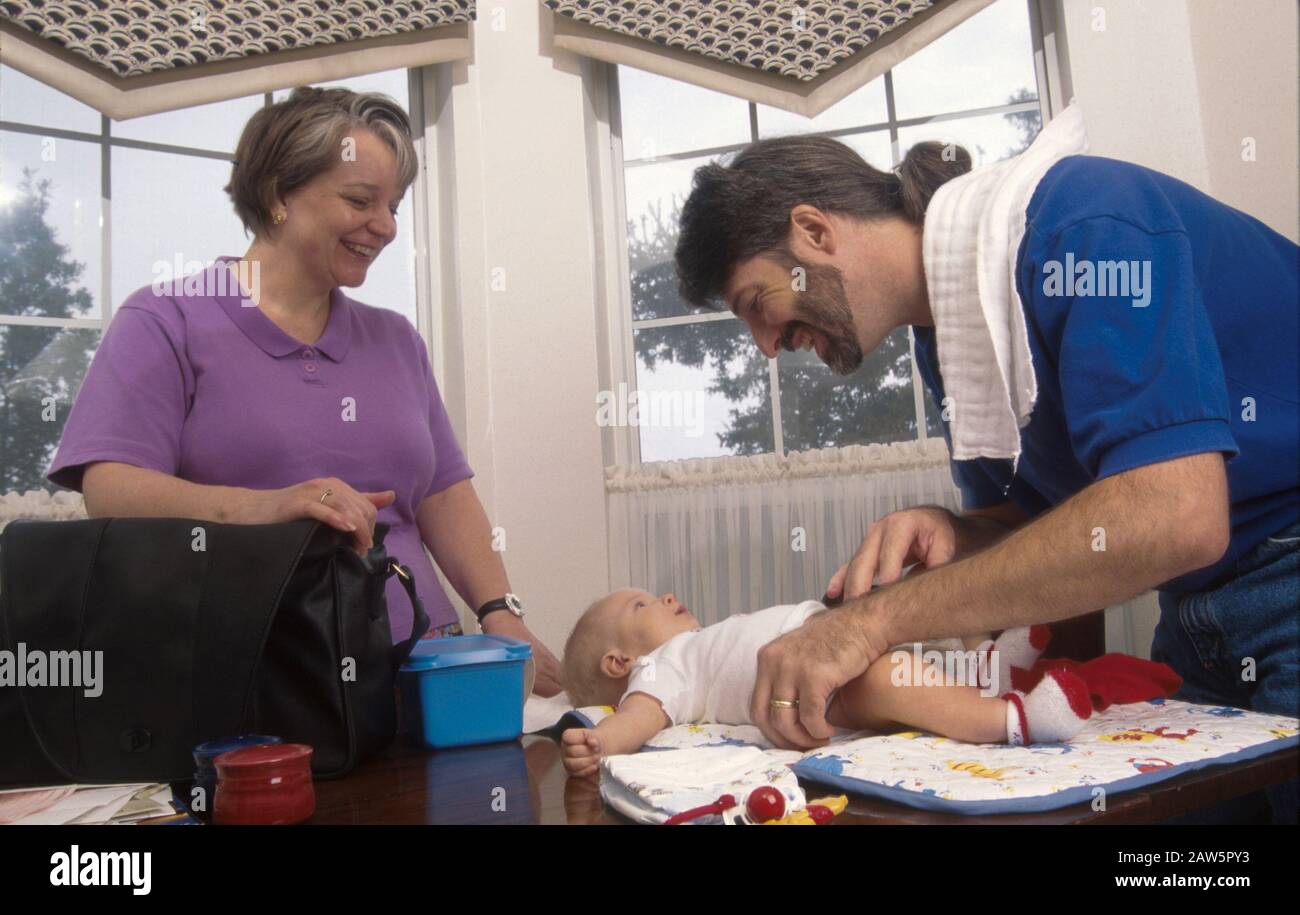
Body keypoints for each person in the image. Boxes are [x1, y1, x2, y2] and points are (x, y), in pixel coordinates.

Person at [672, 106, 1298, 821]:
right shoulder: (947, 339)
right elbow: (1059, 527)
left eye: (758, 304)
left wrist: (869, 623)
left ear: (813, 231)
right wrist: (960, 529)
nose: (765, 346)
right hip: (1199, 617)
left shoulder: (1086, 227)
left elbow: (1174, 514)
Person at [47, 86, 563, 695]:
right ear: (277, 196)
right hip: (249, 678)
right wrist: (265, 507)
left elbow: (443, 495)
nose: (387, 226)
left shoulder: (395, 340)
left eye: (394, 205)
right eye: (360, 200)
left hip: (420, 669)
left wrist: (499, 609)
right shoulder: (166, 319)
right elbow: (111, 490)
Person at [559, 588, 1182, 777]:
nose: (664, 595)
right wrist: (604, 740)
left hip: (830, 642)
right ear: (620, 663)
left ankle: (993, 671)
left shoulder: (693, 641)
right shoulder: (658, 668)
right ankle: (1011, 719)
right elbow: (642, 716)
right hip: (819, 690)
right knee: (895, 685)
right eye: (641, 606)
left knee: (916, 656)